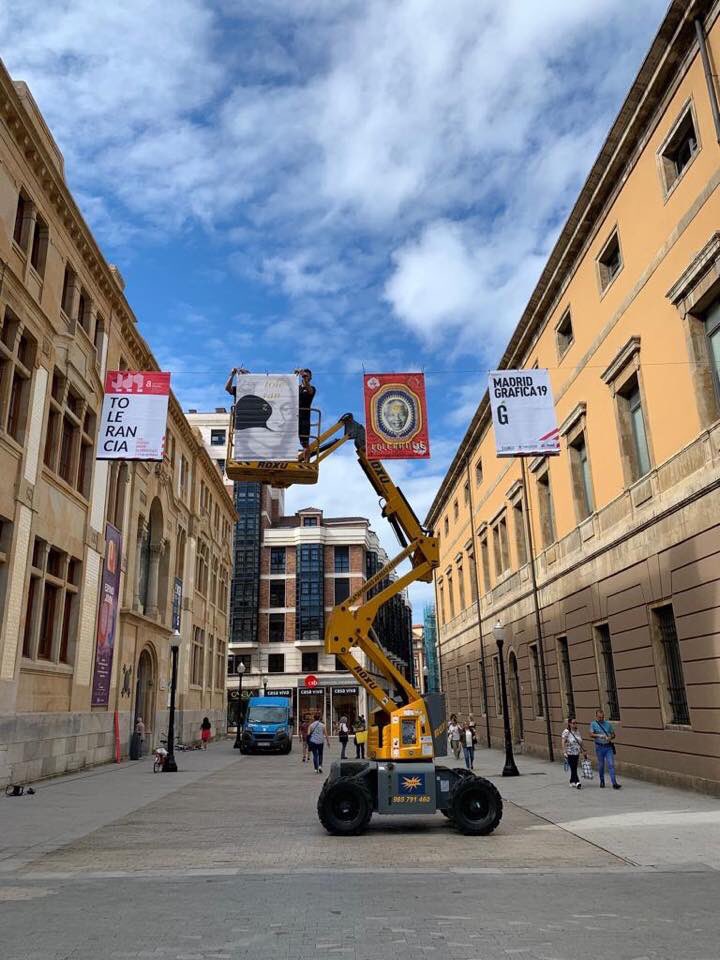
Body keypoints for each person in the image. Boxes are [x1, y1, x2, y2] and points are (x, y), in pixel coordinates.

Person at [590, 709, 622, 789]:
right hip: (599, 747)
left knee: (611, 764)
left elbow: (614, 734)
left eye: (602, 717)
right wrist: (599, 735)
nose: (601, 719)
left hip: (608, 747)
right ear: (596, 717)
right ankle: (602, 781)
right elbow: (591, 734)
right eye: (599, 717)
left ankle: (614, 783)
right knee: (601, 765)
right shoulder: (593, 724)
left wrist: (610, 737)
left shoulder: (608, 724)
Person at [561, 717, 585, 789]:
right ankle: (577, 782)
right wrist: (564, 752)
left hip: (576, 752)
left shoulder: (577, 731)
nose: (575, 724)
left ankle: (571, 781)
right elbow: (563, 742)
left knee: (574, 767)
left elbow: (580, 741)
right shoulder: (566, 731)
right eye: (573, 723)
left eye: (576, 723)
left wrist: (583, 750)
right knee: (573, 767)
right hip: (569, 752)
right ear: (569, 724)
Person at [295, 368, 316, 449]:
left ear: (310, 378)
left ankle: (306, 460)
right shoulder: (297, 388)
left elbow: (310, 390)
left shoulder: (312, 388)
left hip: (304, 419)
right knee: (289, 438)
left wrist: (304, 377)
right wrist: (294, 375)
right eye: (304, 375)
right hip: (294, 417)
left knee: (304, 443)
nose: (305, 377)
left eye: (307, 376)